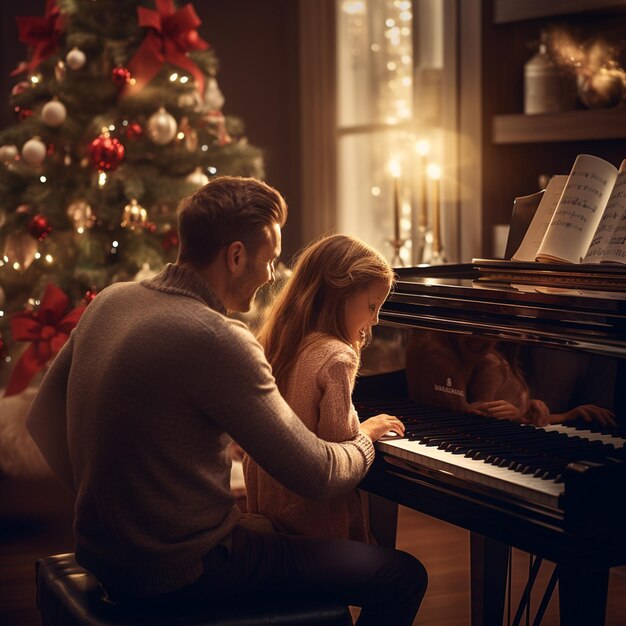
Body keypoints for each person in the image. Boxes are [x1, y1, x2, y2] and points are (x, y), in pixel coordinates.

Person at [26, 176, 427, 625]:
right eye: (270, 260)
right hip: (187, 571)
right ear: (236, 256)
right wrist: (366, 437)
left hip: (103, 557)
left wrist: (114, 514)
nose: (272, 275)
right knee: (402, 575)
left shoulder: (112, 301)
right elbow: (318, 475)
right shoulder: (218, 338)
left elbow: (41, 420)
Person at [244, 234, 396, 542]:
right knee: (405, 572)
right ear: (340, 294)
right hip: (317, 529)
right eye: (371, 306)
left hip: (271, 521)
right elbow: (339, 453)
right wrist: (370, 429)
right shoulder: (336, 356)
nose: (375, 320)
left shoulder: (275, 343)